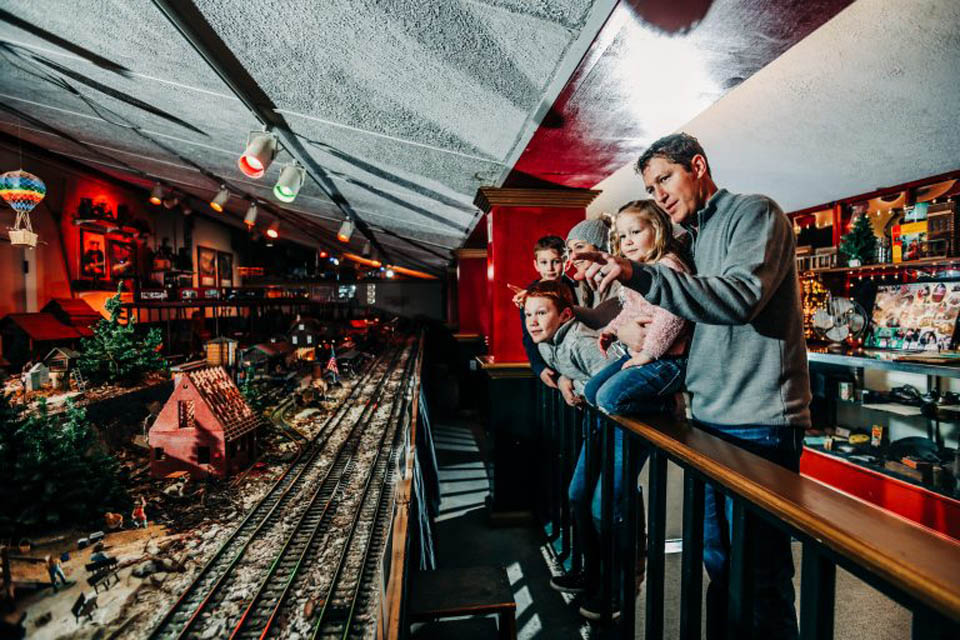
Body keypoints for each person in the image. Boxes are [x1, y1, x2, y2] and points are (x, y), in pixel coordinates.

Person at [572, 132, 811, 639]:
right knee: (720, 563)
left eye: (665, 178)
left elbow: (738, 298)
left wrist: (640, 276)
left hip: (761, 420)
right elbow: (666, 313)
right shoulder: (689, 238)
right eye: (651, 186)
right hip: (708, 419)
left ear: (697, 166)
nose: (658, 193)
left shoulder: (755, 214)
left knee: (760, 575)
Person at [512, 235, 579, 390]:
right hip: (551, 363)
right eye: (544, 262)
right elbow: (528, 336)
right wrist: (538, 367)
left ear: (566, 263)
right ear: (536, 265)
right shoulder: (528, 296)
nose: (549, 268)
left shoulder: (578, 288)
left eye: (555, 261)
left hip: (579, 355)